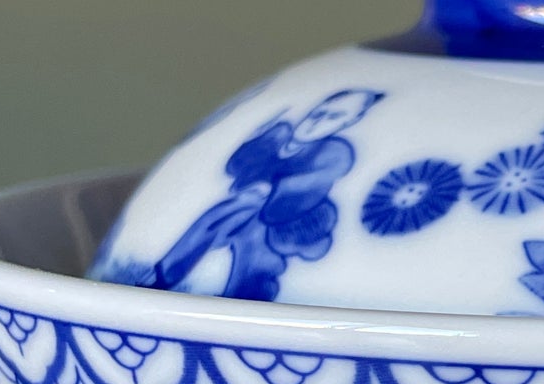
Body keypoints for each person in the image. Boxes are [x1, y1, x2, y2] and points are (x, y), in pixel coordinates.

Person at [154, 88, 383, 301]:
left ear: (347, 123)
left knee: (249, 227)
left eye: (333, 118)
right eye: (319, 112)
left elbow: (306, 189)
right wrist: (255, 139)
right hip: (248, 213)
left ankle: (167, 278)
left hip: (297, 223)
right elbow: (235, 166)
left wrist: (268, 191)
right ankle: (178, 281)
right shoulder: (277, 134)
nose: (318, 121)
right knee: (242, 218)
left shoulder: (336, 152)